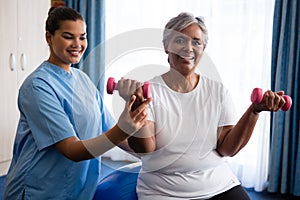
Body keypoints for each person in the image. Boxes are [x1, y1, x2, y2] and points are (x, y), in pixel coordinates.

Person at [127, 12, 288, 200]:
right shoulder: (149, 92)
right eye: (180, 40)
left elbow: (227, 149)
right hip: (164, 191)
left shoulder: (218, 92)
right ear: (166, 46)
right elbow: (146, 149)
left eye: (196, 42)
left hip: (218, 185)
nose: (188, 48)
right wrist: (136, 113)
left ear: (203, 49)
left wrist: (254, 110)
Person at [4, 7, 150, 200]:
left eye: (82, 37)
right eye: (68, 36)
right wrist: (123, 128)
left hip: (79, 190)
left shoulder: (83, 80)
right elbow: (72, 150)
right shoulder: (37, 87)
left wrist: (134, 108)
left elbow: (115, 135)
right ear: (49, 37)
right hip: (38, 191)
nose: (77, 44)